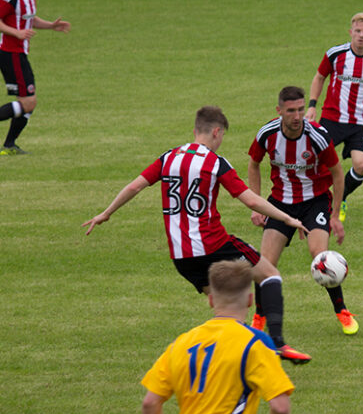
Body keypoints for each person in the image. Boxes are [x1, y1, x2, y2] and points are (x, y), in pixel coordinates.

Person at [82, 106, 313, 363]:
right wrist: (287, 217)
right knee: (270, 276)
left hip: (182, 257)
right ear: (216, 132)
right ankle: (278, 344)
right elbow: (250, 200)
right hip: (213, 244)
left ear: (195, 130)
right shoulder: (215, 163)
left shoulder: (168, 158)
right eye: (222, 135)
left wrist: (107, 212)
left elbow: (135, 185)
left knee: (226, 308)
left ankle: (227, 358)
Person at [141, 259, 294, 414]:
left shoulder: (183, 342)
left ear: (211, 299)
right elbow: (280, 407)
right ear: (250, 301)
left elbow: (150, 403)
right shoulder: (255, 343)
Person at [248, 86, 359, 336]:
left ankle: (341, 311)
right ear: (279, 111)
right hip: (279, 202)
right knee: (264, 263)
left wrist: (335, 215)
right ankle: (259, 316)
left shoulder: (317, 135)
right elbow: (253, 164)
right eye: (291, 111)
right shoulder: (267, 134)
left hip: (315, 201)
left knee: (320, 255)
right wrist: (255, 204)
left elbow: (338, 172)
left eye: (300, 109)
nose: (298, 116)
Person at [306, 12, 363, 223]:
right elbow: (319, 77)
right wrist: (312, 105)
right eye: (357, 31)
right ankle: (308, 203)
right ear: (350, 32)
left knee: (362, 164)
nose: (361, 36)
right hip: (331, 119)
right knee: (314, 161)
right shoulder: (335, 54)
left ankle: (341, 197)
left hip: (358, 123)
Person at [0, 0, 71, 155]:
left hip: (20, 54)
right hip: (10, 54)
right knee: (29, 102)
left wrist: (51, 25)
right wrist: (16, 33)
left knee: (29, 104)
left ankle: (9, 145)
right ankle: (9, 145)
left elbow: (29, 20)